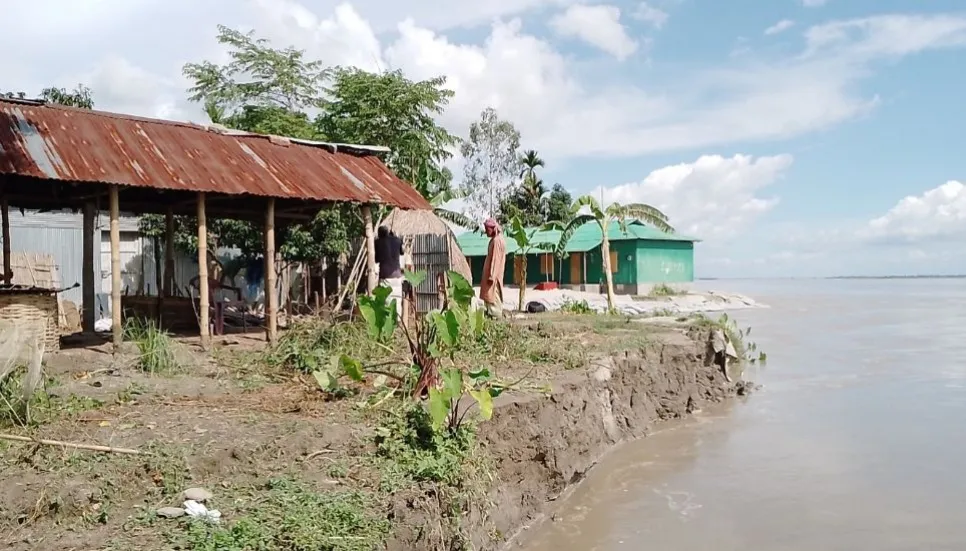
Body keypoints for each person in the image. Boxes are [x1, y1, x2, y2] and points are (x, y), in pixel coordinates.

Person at [374, 226, 407, 307]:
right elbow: (402, 252)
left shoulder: (378, 242)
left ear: (380, 234)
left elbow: (376, 259)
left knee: (386, 304)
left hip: (385, 277)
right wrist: (394, 236)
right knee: (397, 303)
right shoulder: (397, 240)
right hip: (397, 276)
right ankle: (398, 319)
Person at [480, 218, 506, 318]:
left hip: (493, 276)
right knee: (490, 295)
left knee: (493, 295)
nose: (486, 231)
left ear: (492, 228)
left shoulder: (497, 241)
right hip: (492, 274)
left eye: (487, 229)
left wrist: (492, 276)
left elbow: (496, 259)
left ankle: (494, 316)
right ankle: (490, 314)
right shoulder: (496, 240)